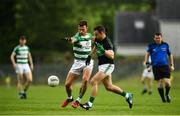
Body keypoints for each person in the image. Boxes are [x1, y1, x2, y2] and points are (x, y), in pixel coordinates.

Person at [80, 25, 133, 110]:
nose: (95, 36)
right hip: (102, 65)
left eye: (96, 34)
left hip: (108, 65)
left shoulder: (107, 43)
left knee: (93, 81)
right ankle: (127, 95)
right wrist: (90, 55)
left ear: (102, 33)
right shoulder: (98, 39)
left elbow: (112, 56)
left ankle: (89, 104)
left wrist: (104, 51)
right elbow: (96, 45)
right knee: (109, 87)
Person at [61, 20, 94, 108]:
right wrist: (69, 39)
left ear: (87, 28)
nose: (81, 31)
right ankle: (69, 97)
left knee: (85, 80)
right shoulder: (77, 36)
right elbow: (73, 39)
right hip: (77, 63)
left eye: (83, 29)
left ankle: (78, 100)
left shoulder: (90, 35)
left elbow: (94, 39)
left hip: (88, 62)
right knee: (67, 85)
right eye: (79, 29)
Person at [144, 32, 174, 103]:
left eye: (159, 38)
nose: (157, 39)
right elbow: (147, 55)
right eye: (156, 38)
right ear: (154, 38)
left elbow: (170, 55)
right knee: (160, 83)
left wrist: (172, 65)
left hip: (165, 66)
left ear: (161, 38)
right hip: (155, 67)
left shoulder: (165, 45)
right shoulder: (151, 46)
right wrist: (147, 65)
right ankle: (163, 98)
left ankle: (166, 94)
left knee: (167, 83)